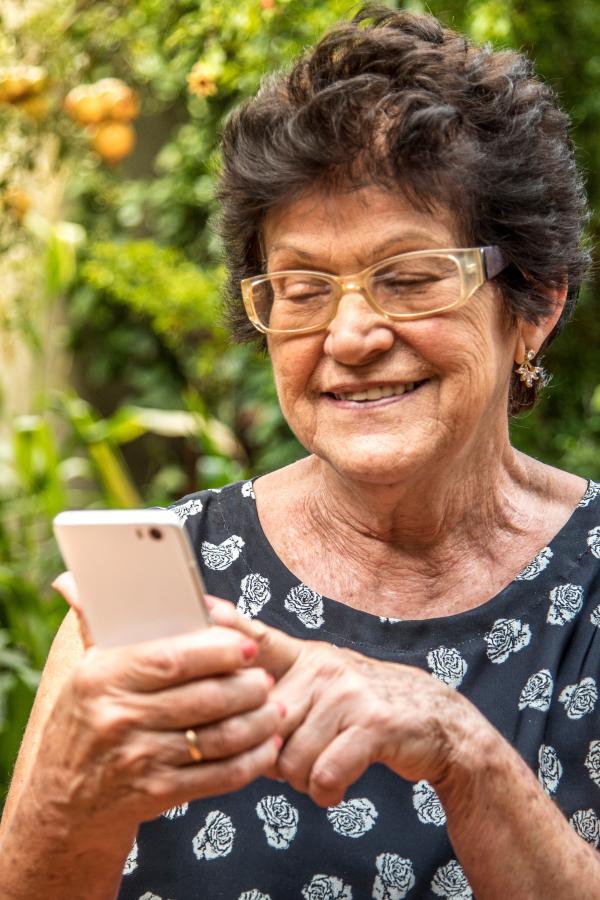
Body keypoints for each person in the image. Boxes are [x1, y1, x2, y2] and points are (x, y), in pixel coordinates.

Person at [2, 6, 600, 898]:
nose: (350, 334)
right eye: (303, 288)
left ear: (535, 305)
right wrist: (70, 793)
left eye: (408, 278)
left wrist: (462, 752)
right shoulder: (184, 571)